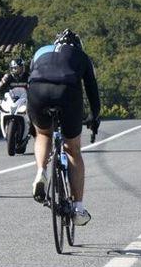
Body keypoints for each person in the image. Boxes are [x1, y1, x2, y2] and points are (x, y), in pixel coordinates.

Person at [27, 29, 100, 225]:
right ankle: (78, 208)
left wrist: (32, 122)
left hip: (37, 91)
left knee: (43, 134)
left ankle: (41, 172)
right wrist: (95, 117)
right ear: (77, 45)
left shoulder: (41, 51)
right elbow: (92, 90)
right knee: (73, 149)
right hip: (66, 92)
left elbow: (30, 79)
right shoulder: (81, 56)